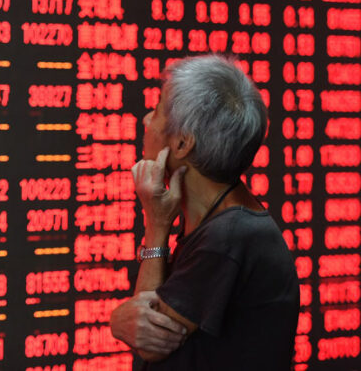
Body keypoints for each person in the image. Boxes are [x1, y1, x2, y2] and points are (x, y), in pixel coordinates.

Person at [110, 54, 299, 370]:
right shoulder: (224, 222)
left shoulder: (227, 237)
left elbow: (148, 341)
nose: (145, 120)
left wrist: (156, 225)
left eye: (156, 112)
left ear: (183, 144)